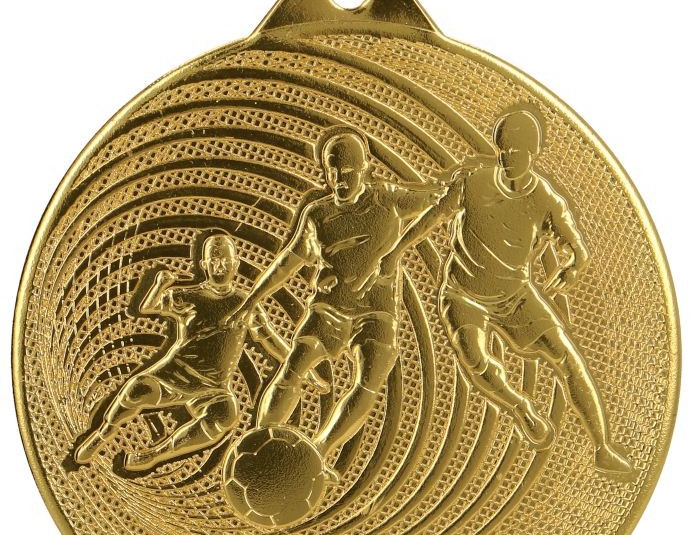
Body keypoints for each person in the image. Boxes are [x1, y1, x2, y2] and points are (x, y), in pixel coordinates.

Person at [368, 109, 634, 476]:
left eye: (518, 152)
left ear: (533, 153)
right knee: (477, 361)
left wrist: (573, 267)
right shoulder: (473, 182)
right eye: (504, 150)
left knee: (568, 358)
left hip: (516, 296)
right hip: (463, 295)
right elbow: (434, 216)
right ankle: (520, 407)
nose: (509, 158)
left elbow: (579, 250)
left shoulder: (546, 199)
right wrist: (396, 251)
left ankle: (603, 447)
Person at [229, 126, 448, 474]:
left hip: (375, 312)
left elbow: (439, 200)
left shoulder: (388, 198)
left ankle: (318, 452)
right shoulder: (317, 215)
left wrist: (462, 185)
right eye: (333, 172)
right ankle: (258, 446)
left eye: (348, 172)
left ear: (364, 169)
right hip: (328, 308)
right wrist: (252, 299)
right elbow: (287, 262)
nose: (340, 180)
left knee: (369, 377)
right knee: (294, 367)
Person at [73, 231, 326, 472]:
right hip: (174, 374)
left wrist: (301, 367)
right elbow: (149, 307)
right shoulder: (188, 296)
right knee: (137, 388)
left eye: (225, 261)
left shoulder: (246, 303)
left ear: (236, 264)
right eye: (214, 261)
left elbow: (271, 340)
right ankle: (101, 434)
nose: (220, 266)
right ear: (204, 265)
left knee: (226, 414)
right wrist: (159, 285)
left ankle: (154, 455)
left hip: (213, 388)